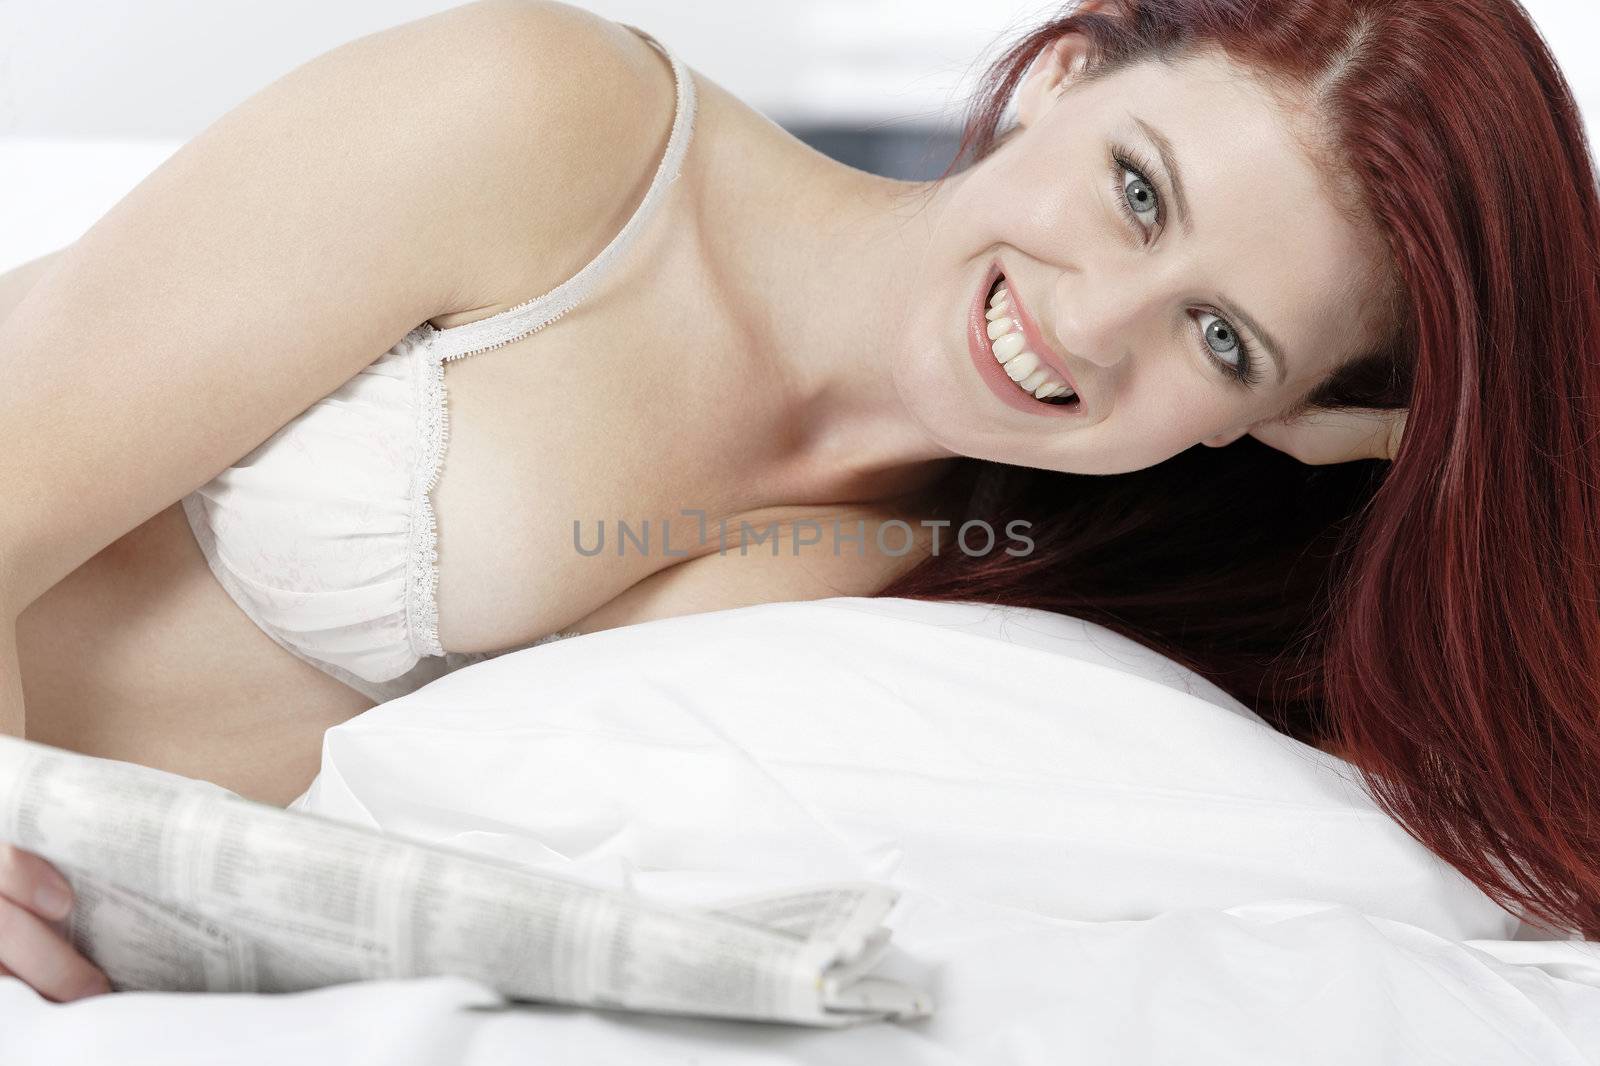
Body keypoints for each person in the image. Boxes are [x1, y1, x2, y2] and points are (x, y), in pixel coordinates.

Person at [0, 0, 1592, 1005]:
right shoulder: (550, 123)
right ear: (1057, 69)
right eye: (1135, 189)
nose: (1097, 321)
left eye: (1223, 336)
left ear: (1297, 425)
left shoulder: (991, 601)